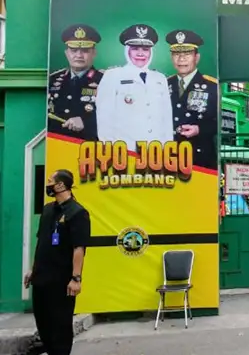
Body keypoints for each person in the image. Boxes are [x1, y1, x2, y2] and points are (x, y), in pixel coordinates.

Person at [24, 169, 91, 355]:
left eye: (50, 181)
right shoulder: (47, 210)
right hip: (41, 278)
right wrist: (32, 269)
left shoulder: (78, 213)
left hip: (62, 282)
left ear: (61, 185)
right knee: (43, 324)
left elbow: (79, 248)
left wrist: (76, 278)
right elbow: (41, 242)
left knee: (60, 327)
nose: (48, 184)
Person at [95, 24, 173, 151]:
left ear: (151, 52)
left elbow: (166, 120)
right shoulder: (113, 75)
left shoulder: (160, 78)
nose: (141, 54)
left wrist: (168, 149)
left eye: (145, 49)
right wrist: (111, 151)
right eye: (135, 48)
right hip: (125, 151)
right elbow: (104, 119)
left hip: (156, 152)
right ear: (127, 50)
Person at [165, 30, 218, 170]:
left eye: (187, 54)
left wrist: (199, 129)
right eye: (177, 54)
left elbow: (222, 122)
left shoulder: (213, 87)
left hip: (199, 160)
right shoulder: (163, 84)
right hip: (168, 158)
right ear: (171, 57)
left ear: (197, 57)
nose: (181, 59)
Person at [47, 24, 105, 141]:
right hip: (55, 146)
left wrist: (86, 122)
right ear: (66, 53)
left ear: (94, 53)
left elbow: (116, 117)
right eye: (73, 50)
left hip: (90, 147)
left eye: (85, 51)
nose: (78, 55)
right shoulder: (52, 80)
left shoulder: (105, 80)